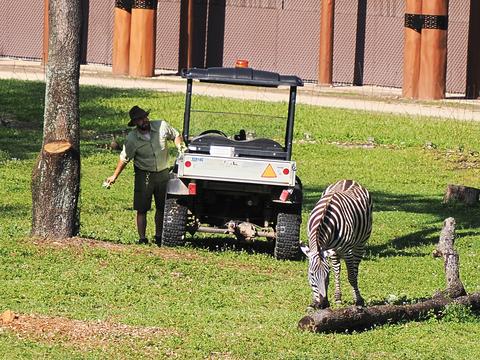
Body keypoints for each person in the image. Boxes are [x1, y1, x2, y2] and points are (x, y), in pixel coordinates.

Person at [105, 105, 186, 245]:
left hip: (163, 173)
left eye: (145, 117)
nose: (144, 120)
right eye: (140, 119)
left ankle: (159, 236)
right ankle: (142, 238)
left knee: (162, 207)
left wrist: (181, 146)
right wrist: (114, 176)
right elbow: (124, 158)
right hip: (144, 174)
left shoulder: (161, 126)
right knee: (142, 208)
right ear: (135, 123)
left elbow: (176, 135)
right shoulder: (132, 139)